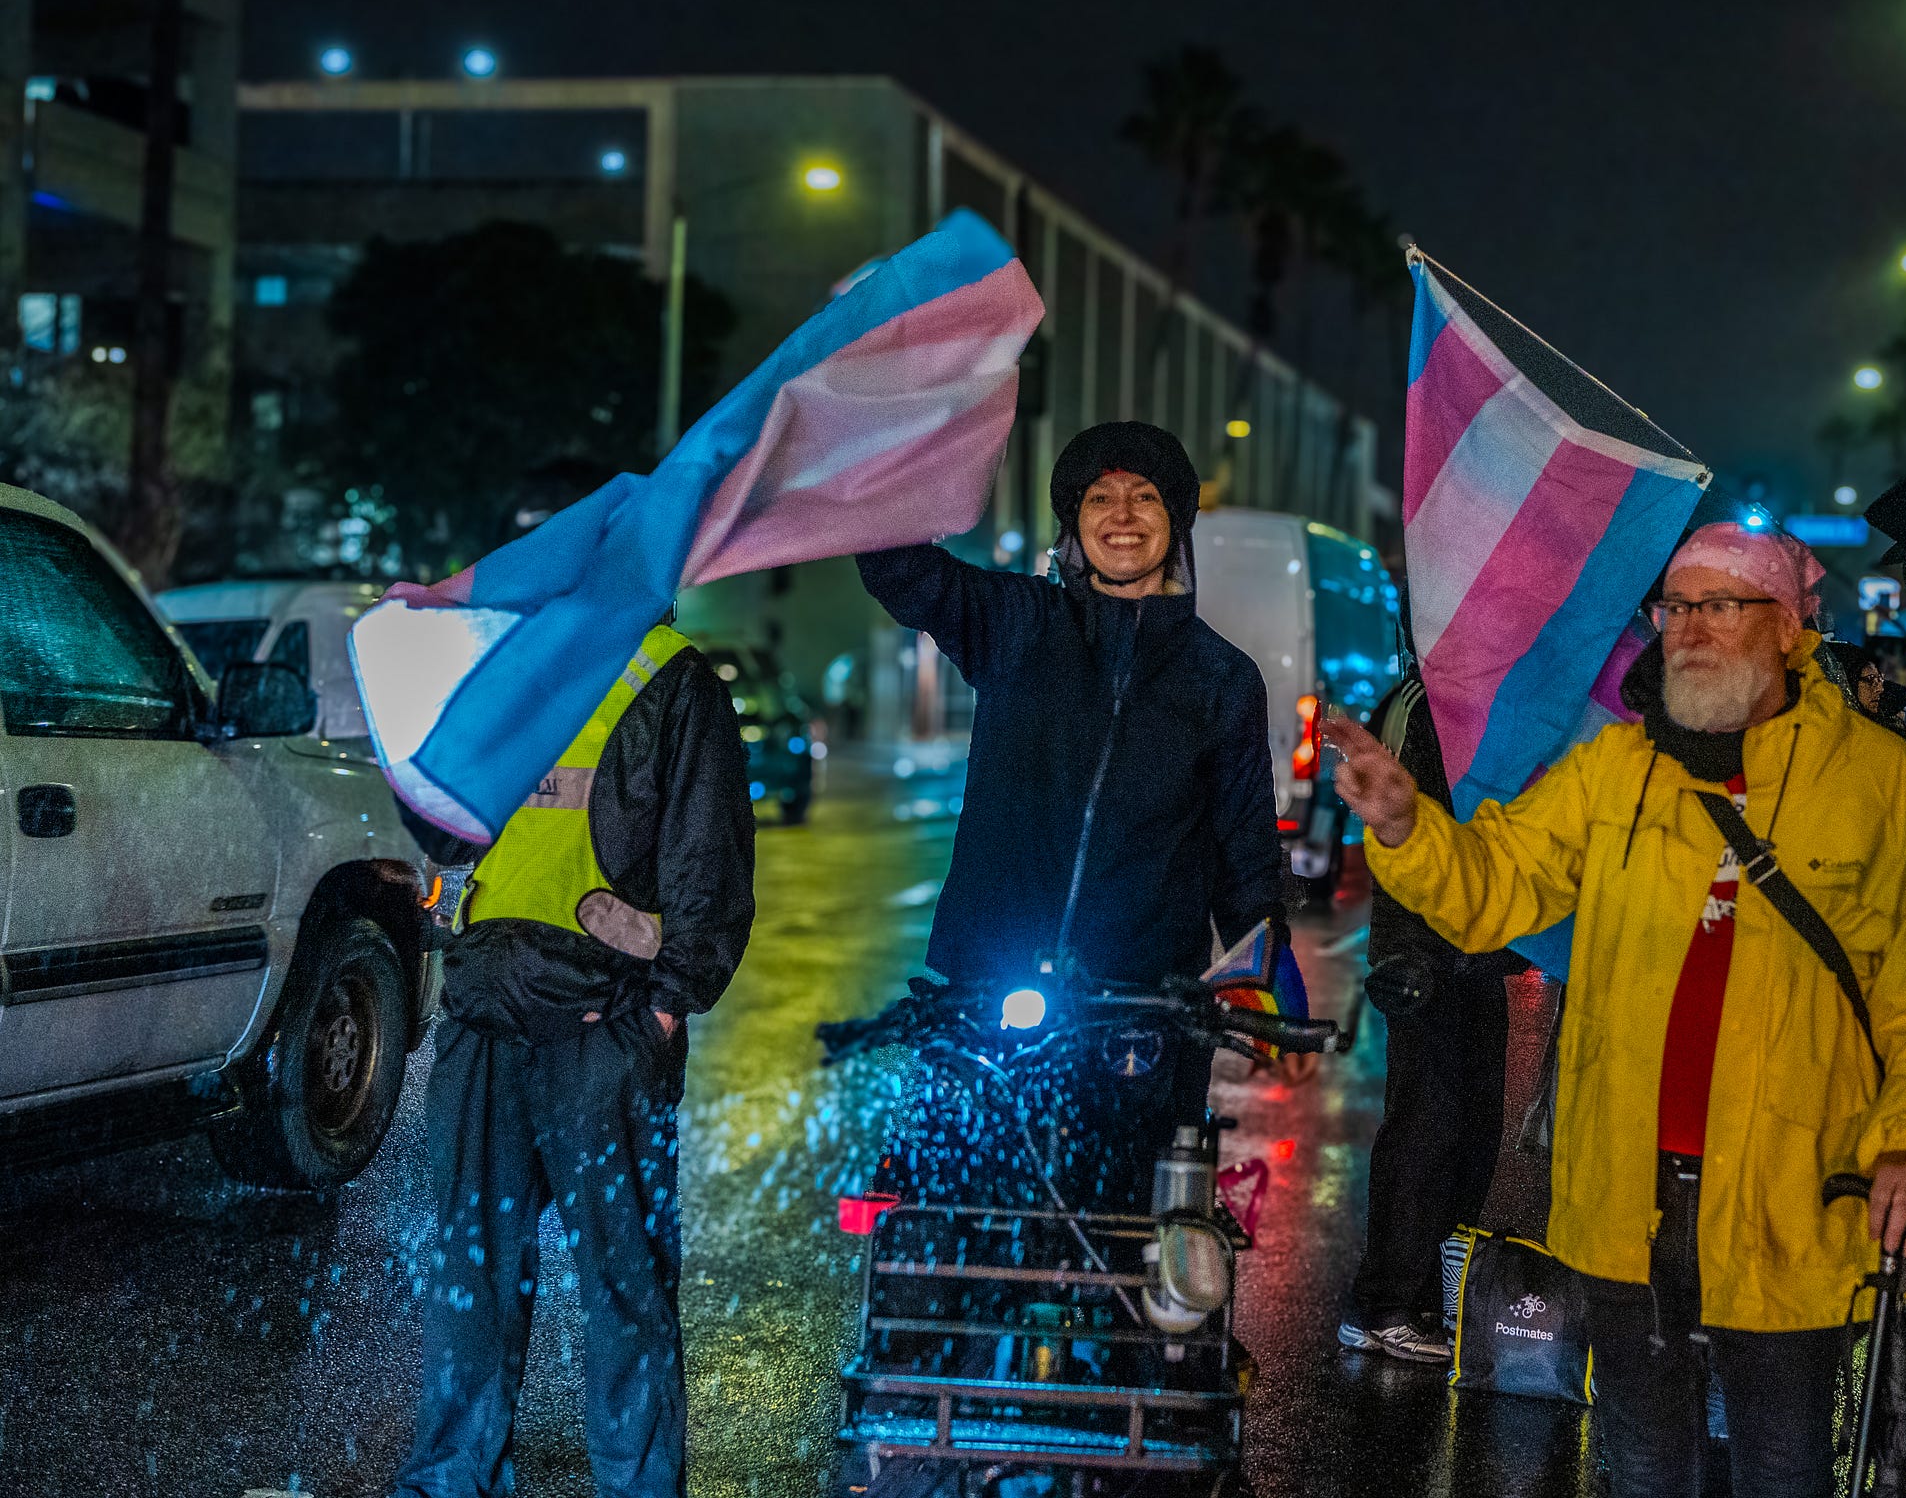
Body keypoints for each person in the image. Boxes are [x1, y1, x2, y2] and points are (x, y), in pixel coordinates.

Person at [1326, 522, 1906, 1498]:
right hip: (1627, 1200)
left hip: (1792, 1193)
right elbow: (1497, 882)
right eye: (1674, 605)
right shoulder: (1618, 769)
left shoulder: (1880, 786)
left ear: (1789, 629)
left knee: (1782, 1467)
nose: (1685, 627)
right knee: (1641, 1466)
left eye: (1718, 605)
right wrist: (1406, 824)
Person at [854, 420, 1285, 1209]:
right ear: (1075, 525)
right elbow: (899, 570)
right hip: (986, 979)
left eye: (1145, 496)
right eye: (1101, 498)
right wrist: (908, 439)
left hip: (1143, 1001)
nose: (1122, 513)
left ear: (1176, 522)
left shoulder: (1222, 678)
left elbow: (1246, 851)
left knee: (1137, 1233)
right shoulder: (1016, 622)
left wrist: (1268, 987)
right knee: (945, 1224)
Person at [394, 614, 756, 1498]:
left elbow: (711, 864)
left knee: (622, 1285)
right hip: (483, 1022)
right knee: (470, 1281)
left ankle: (637, 1489)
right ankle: (449, 1480)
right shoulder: (510, 673)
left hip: (606, 1028)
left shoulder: (672, 679)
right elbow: (443, 829)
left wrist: (664, 1012)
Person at [1338, 667, 1519, 1365]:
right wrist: (1409, 956)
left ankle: (1437, 1302)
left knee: (1475, 1130)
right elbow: (1406, 835)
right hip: (1428, 962)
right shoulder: (1426, 701)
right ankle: (1384, 1304)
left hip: (1475, 951)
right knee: (1427, 1130)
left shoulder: (1483, 692)